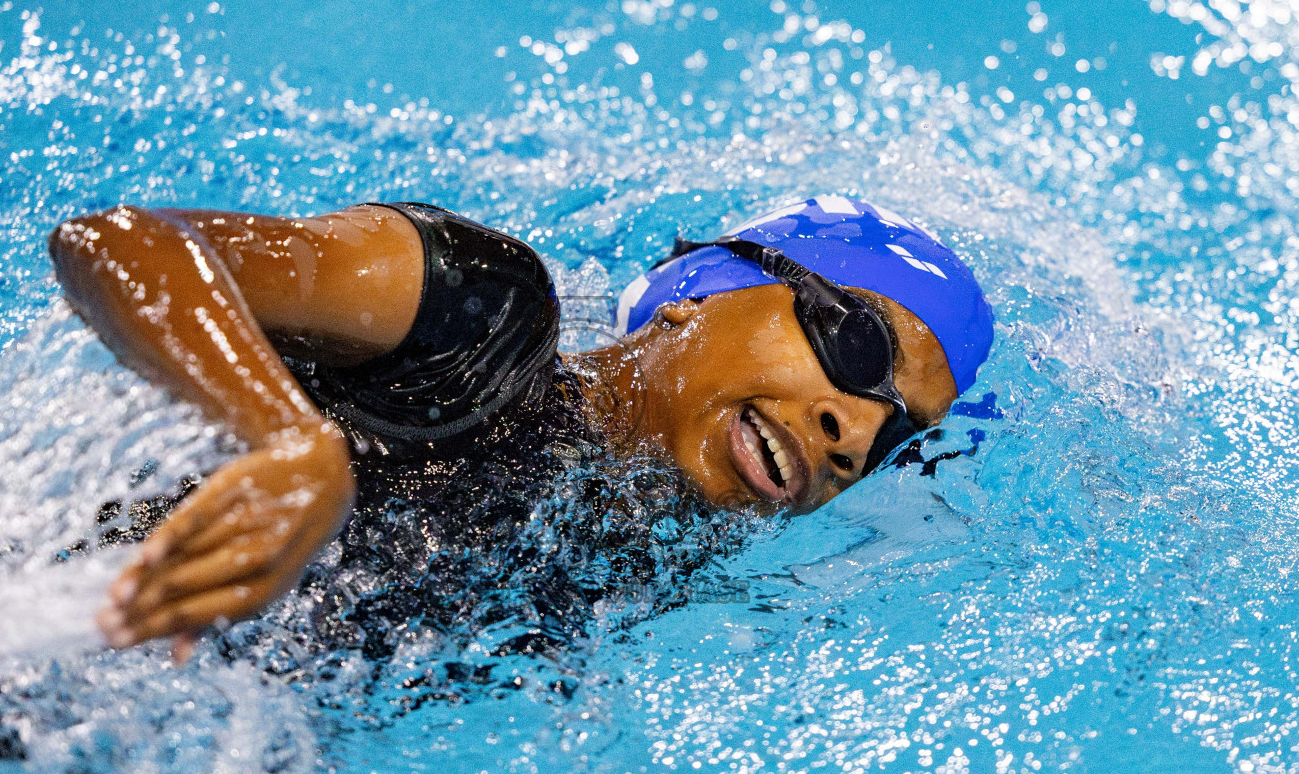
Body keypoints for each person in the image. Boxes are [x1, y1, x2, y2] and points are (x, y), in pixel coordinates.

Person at [50, 195, 994, 661]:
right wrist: (288, 442)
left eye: (896, 436)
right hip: (11, 621)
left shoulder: (656, 559)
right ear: (701, 295)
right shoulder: (479, 321)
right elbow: (123, 245)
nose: (852, 433)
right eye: (858, 346)